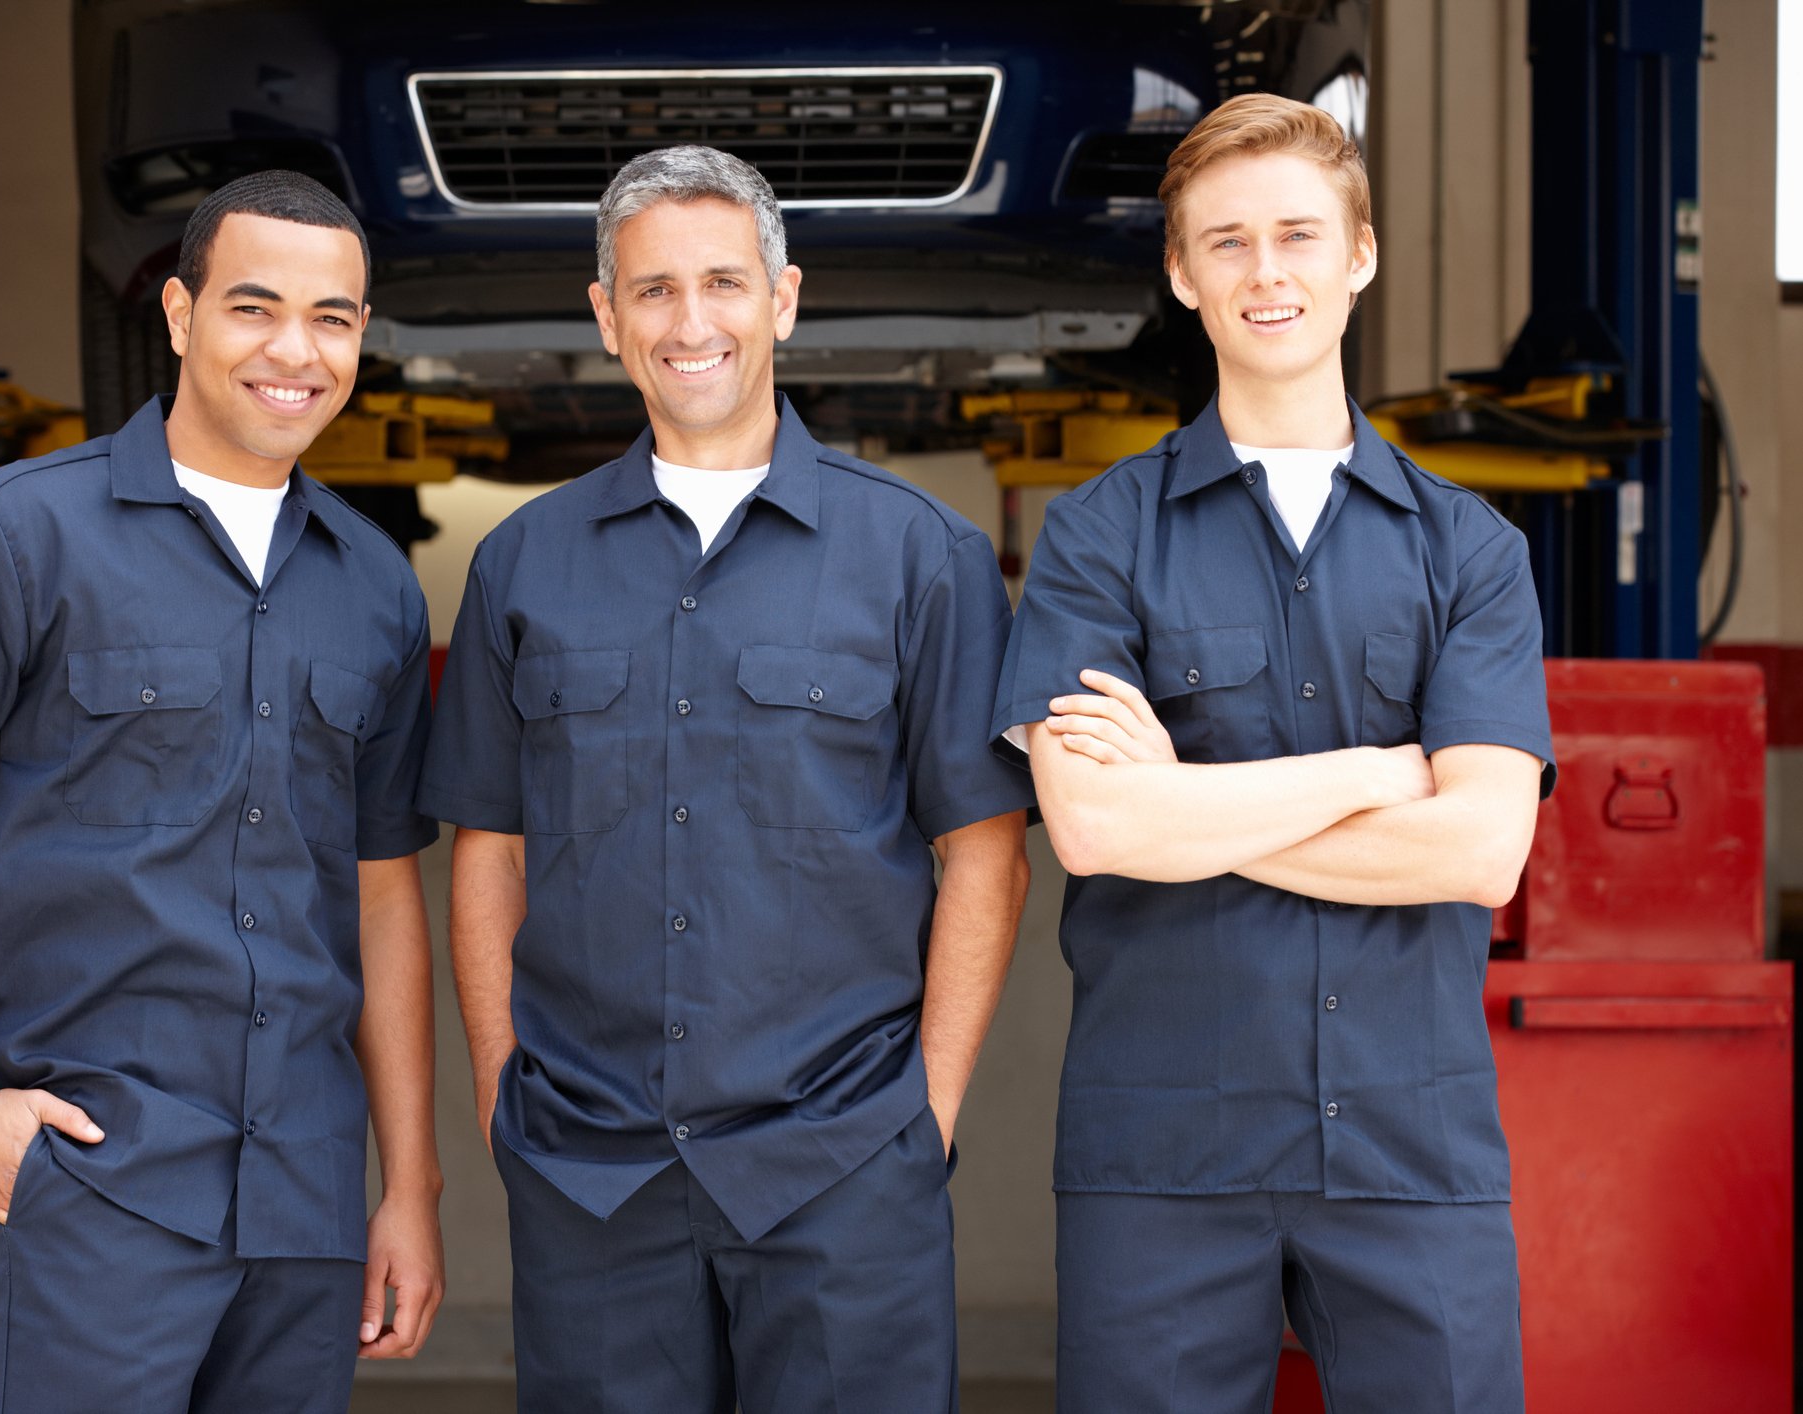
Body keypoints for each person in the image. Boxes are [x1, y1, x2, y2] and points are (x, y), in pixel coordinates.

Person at [0, 170, 445, 1409]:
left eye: (333, 319)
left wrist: (409, 1187)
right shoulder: (17, 535)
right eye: (254, 307)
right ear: (177, 313)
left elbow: (381, 896)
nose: (294, 352)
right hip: (97, 1185)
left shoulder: (374, 586)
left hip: (304, 1201)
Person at [419, 144, 1033, 1412]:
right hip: (592, 1176)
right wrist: (499, 1095)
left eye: (724, 284)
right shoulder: (522, 563)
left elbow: (984, 847)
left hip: (846, 1168)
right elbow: (488, 848)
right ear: (605, 316)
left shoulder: (922, 558)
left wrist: (930, 1112)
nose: (690, 323)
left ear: (784, 299)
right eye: (651, 291)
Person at [992, 95, 1554, 1413]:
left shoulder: (1470, 551)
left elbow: (1479, 849)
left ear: (1357, 254)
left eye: (1297, 235)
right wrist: (1380, 771)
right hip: (1163, 1155)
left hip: (1412, 1152)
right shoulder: (1099, 539)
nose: (1266, 272)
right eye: (1226, 243)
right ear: (1181, 274)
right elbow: (1097, 831)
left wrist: (1186, 802)